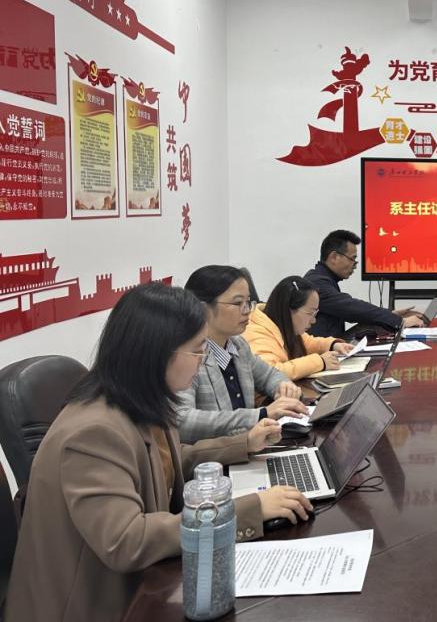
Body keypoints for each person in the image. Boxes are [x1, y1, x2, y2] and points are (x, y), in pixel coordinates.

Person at [4, 283, 313, 622]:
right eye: (197, 350)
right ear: (157, 353)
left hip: (141, 584)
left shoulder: (142, 400)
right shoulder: (93, 432)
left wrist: (243, 444)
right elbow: (126, 540)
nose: (203, 362)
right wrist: (248, 510)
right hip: (92, 606)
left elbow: (168, 462)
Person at [177, 265, 308, 443]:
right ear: (203, 309)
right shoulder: (186, 355)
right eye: (238, 303)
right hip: (215, 457)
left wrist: (284, 388)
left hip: (249, 448)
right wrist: (261, 414)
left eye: (248, 302)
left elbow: (269, 375)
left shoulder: (238, 345)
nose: (247, 311)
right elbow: (183, 422)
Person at [304, 229, 425, 337]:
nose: (355, 266)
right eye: (352, 259)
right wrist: (400, 322)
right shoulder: (316, 283)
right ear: (334, 257)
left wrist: (391, 315)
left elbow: (354, 310)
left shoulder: (323, 279)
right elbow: (351, 308)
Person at [244, 275, 355, 380]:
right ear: (288, 311)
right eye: (310, 313)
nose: (313, 320)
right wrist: (320, 362)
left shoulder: (283, 324)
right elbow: (271, 372)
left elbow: (306, 342)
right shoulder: (256, 333)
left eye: (315, 314)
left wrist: (332, 345)